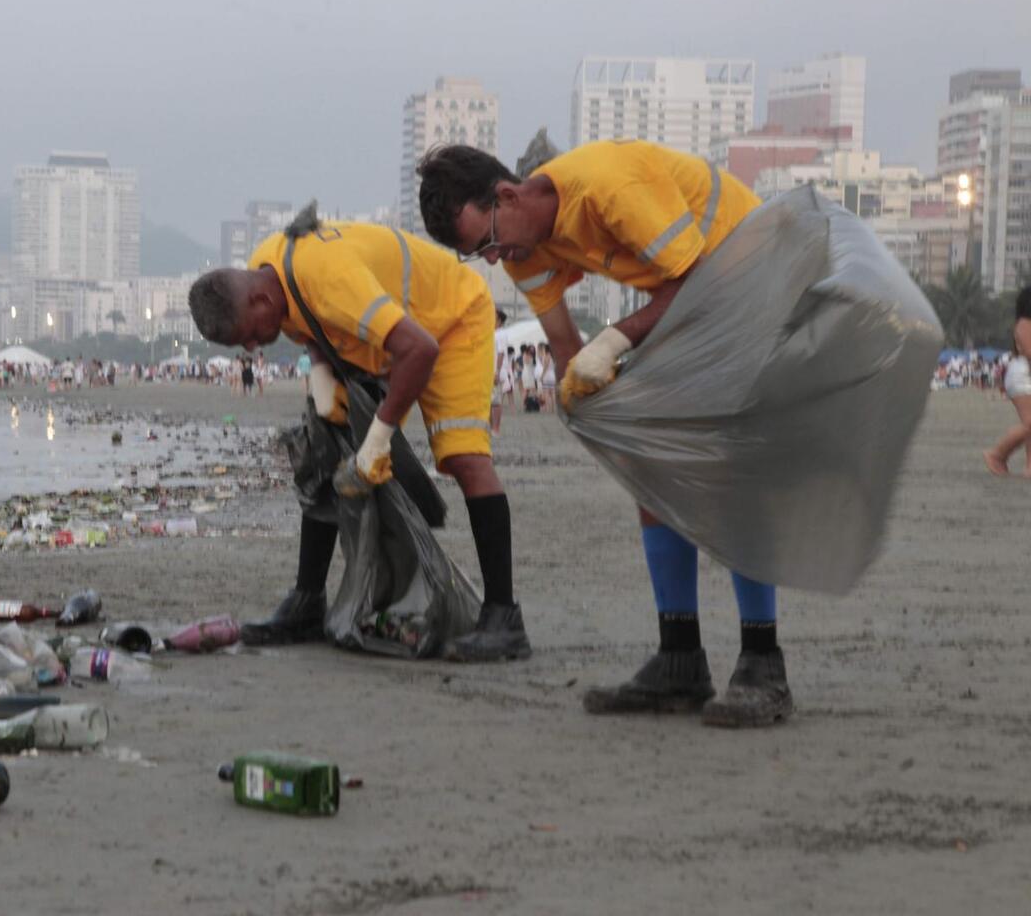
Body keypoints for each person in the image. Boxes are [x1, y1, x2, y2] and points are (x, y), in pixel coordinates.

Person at [418, 139, 789, 726]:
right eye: (477, 254)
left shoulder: (609, 188)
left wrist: (614, 340)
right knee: (649, 468)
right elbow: (565, 350)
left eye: (487, 242)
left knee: (726, 471)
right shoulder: (521, 246)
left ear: (508, 195)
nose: (493, 259)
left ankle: (764, 663)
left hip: (757, 277)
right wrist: (592, 415)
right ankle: (680, 657)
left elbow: (697, 286)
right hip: (694, 300)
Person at [188, 210, 530, 661]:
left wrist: (377, 440)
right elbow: (308, 320)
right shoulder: (266, 267)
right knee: (322, 448)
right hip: (385, 335)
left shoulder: (332, 280)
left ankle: (503, 618)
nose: (253, 348)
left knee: (465, 457)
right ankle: (307, 601)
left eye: (249, 337)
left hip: (450, 321)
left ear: (259, 303)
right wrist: (323, 370)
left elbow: (419, 349)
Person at [983, 287, 1031, 476]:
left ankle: (1030, 467)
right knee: (1030, 423)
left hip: (1023, 373)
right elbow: (1029, 351)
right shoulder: (1025, 323)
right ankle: (998, 454)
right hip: (1023, 375)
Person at [491, 310, 508, 433]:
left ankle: (496, 429)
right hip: (491, 370)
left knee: (496, 401)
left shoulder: (501, 334)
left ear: (500, 321)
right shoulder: (494, 333)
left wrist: (497, 371)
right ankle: (491, 427)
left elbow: (501, 353)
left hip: (496, 371)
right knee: (490, 401)